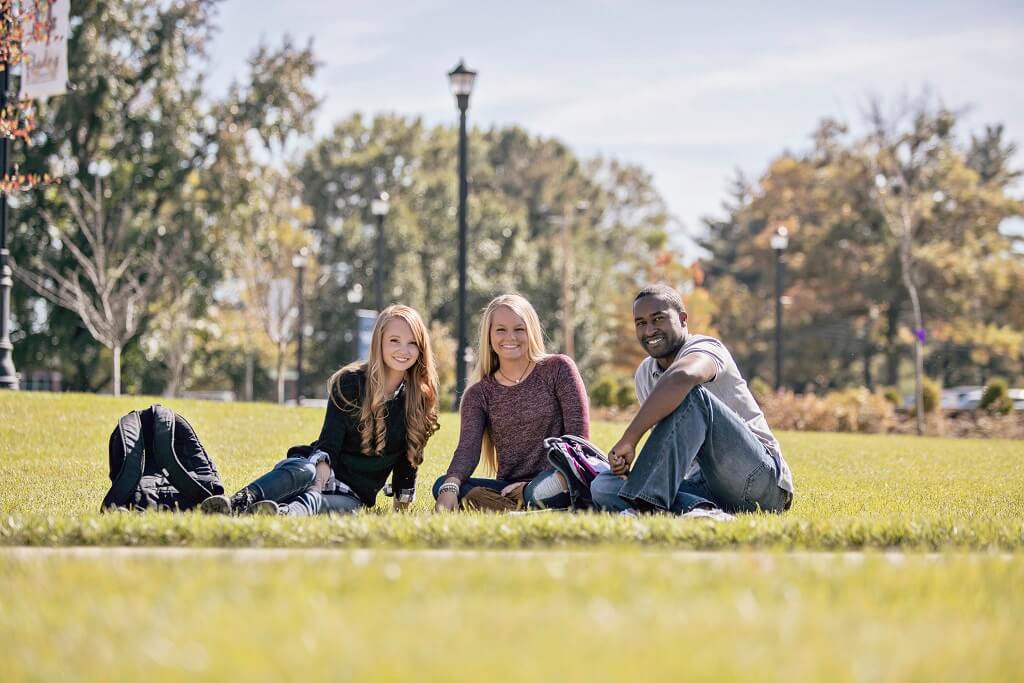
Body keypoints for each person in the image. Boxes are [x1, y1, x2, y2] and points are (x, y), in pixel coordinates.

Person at [201, 304, 440, 516]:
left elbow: (408, 460)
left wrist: (402, 507)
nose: (404, 350)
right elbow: (329, 441)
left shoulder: (418, 399)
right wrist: (320, 470)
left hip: (352, 495)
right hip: (317, 469)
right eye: (394, 340)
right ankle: (236, 504)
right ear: (379, 341)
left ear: (421, 349)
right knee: (304, 471)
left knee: (320, 502)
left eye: (412, 343)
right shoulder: (349, 382)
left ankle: (280, 513)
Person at [590, 284, 794, 516]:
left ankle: (646, 507)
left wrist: (630, 438)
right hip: (703, 484)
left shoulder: (706, 347)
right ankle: (702, 510)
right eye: (641, 323)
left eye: (658, 319)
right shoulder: (645, 374)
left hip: (759, 479)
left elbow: (683, 377)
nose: (649, 331)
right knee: (604, 486)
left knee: (692, 395)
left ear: (683, 319)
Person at [433, 294, 590, 512]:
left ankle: (509, 505)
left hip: (558, 478)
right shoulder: (478, 394)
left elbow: (578, 440)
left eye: (519, 329)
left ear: (531, 331)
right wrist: (450, 487)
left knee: (543, 489)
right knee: (442, 484)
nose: (510, 337)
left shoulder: (558, 369)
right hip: (507, 487)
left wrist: (541, 483)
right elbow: (467, 450)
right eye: (500, 330)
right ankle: (522, 509)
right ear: (489, 335)